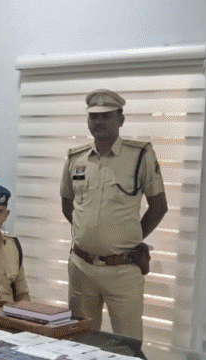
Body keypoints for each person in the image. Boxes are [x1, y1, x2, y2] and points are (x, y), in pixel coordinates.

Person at [60, 89, 167, 339]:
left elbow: (159, 206)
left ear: (121, 119)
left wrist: (128, 239)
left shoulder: (140, 155)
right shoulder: (76, 158)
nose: (99, 122)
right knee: (80, 342)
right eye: (94, 116)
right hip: (81, 268)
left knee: (128, 343)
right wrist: (86, 233)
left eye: (106, 115)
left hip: (123, 269)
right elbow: (68, 204)